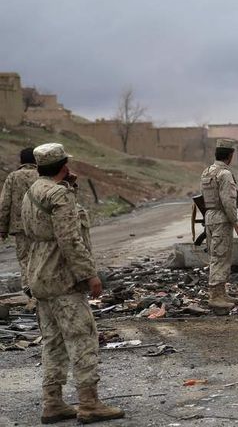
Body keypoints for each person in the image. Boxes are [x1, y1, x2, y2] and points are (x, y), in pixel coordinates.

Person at [21, 143, 124, 424]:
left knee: (53, 342)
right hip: (62, 277)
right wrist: (89, 274)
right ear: (64, 166)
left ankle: (52, 403)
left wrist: (70, 190)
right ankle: (89, 404)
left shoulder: (31, 192)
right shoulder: (58, 195)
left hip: (39, 275)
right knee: (81, 338)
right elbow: (70, 239)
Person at [200, 138, 238, 311]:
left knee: (217, 255)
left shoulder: (207, 171)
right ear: (230, 155)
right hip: (221, 218)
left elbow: (203, 198)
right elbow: (228, 201)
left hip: (210, 217)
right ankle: (215, 297)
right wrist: (236, 223)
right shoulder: (225, 174)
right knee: (220, 257)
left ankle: (221, 293)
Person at [0, 147, 37, 304]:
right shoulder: (43, 175)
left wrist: (2, 228)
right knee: (43, 257)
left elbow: (4, 204)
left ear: (21, 160)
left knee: (25, 259)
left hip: (20, 226)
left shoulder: (13, 177)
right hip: (41, 226)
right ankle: (43, 290)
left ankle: (30, 290)